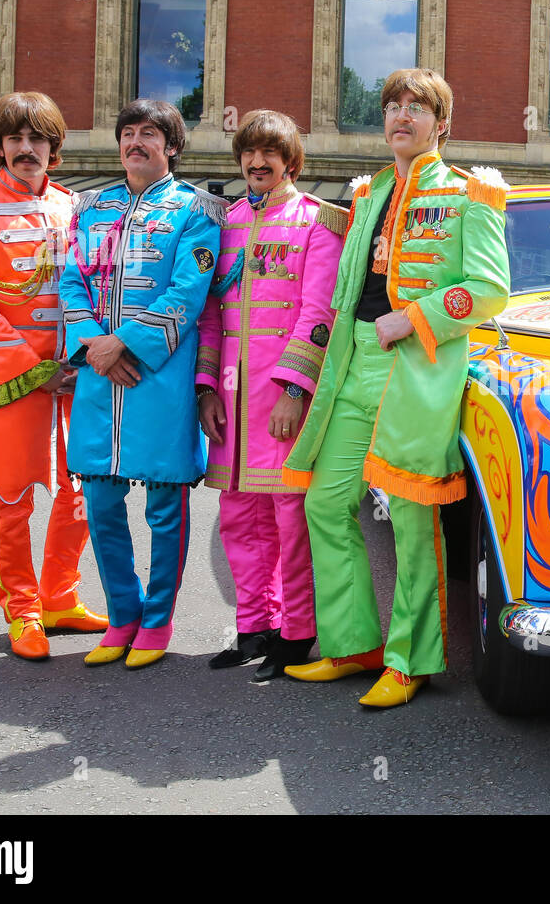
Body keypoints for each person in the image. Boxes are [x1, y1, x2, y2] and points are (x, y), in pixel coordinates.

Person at [282, 68, 511, 707]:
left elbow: (490, 289)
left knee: (411, 517)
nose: (401, 116)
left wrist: (411, 318)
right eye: (392, 106)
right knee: (326, 503)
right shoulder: (370, 191)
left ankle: (410, 659)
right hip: (350, 367)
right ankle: (353, 645)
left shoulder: (473, 195)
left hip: (415, 368)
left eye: (417, 107)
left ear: (443, 124)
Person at [0, 91, 105, 661]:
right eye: (16, 139)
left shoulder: (76, 210)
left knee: (78, 488)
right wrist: (36, 371)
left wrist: (82, 361)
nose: (27, 149)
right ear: (0, 147)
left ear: (53, 147)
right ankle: (22, 608)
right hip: (15, 378)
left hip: (76, 375)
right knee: (12, 496)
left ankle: (60, 595)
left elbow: (98, 291)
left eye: (38, 139)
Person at [59, 99, 225, 669]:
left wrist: (123, 344)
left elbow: (188, 292)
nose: (136, 142)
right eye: (128, 133)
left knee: (164, 507)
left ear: (171, 146)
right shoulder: (92, 209)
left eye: (149, 134)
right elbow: (70, 283)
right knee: (100, 501)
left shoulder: (196, 211)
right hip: (100, 379)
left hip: (159, 376)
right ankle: (122, 614)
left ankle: (157, 621)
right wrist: (93, 348)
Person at [196, 110, 346, 681]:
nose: (258, 163)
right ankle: (253, 627)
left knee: (290, 518)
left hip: (281, 398)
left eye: (270, 154)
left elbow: (318, 313)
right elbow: (211, 314)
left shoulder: (316, 222)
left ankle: (296, 633)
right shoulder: (225, 223)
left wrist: (293, 390)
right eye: (249, 154)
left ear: (291, 161)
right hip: (232, 402)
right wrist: (206, 388)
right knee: (238, 516)